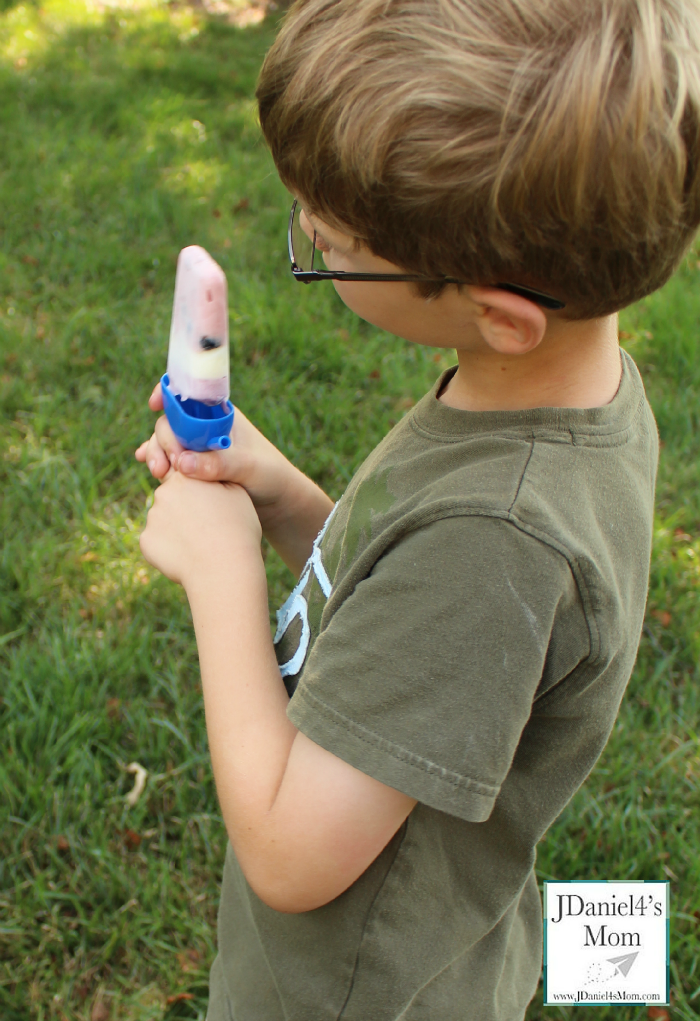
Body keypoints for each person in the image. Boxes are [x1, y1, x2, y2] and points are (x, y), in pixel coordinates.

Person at [135, 1, 700, 1017]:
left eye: (334, 247)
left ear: (499, 315)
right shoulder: (552, 398)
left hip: (357, 988)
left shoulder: (500, 539)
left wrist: (222, 577)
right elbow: (399, 609)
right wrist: (278, 494)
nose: (310, 241)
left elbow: (290, 851)